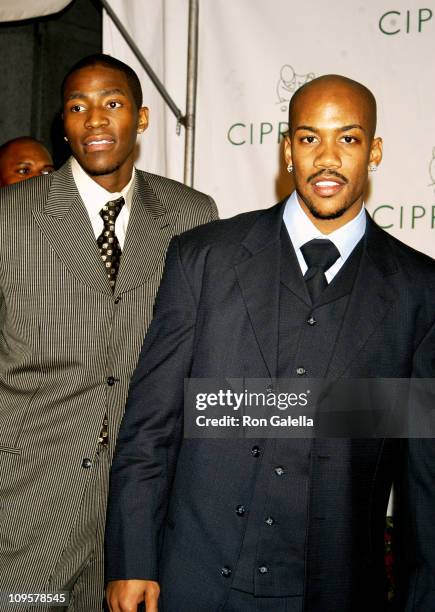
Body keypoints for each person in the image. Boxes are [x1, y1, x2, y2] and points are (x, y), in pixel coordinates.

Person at [105, 74, 435, 612]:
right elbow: (150, 427)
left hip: (335, 592)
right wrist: (132, 559)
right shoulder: (203, 258)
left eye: (348, 139)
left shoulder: (419, 292)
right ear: (287, 151)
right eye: (309, 138)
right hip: (192, 582)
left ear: (373, 151)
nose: (327, 158)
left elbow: (425, 481)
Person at [0, 53, 217, 612]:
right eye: (78, 107)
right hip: (23, 501)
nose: (95, 120)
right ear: (64, 123)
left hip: (137, 512)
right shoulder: (10, 216)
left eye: (112, 104)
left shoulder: (192, 216)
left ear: (141, 118)